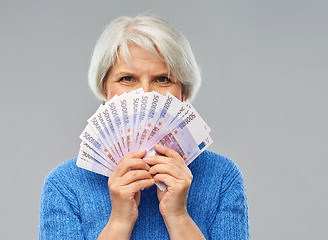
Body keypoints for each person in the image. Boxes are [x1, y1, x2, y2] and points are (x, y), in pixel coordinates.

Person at [39, 15, 250, 239]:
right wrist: (119, 220)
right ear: (105, 91)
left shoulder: (222, 177)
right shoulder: (64, 185)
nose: (146, 95)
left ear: (183, 93)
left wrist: (178, 216)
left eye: (162, 79)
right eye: (127, 79)